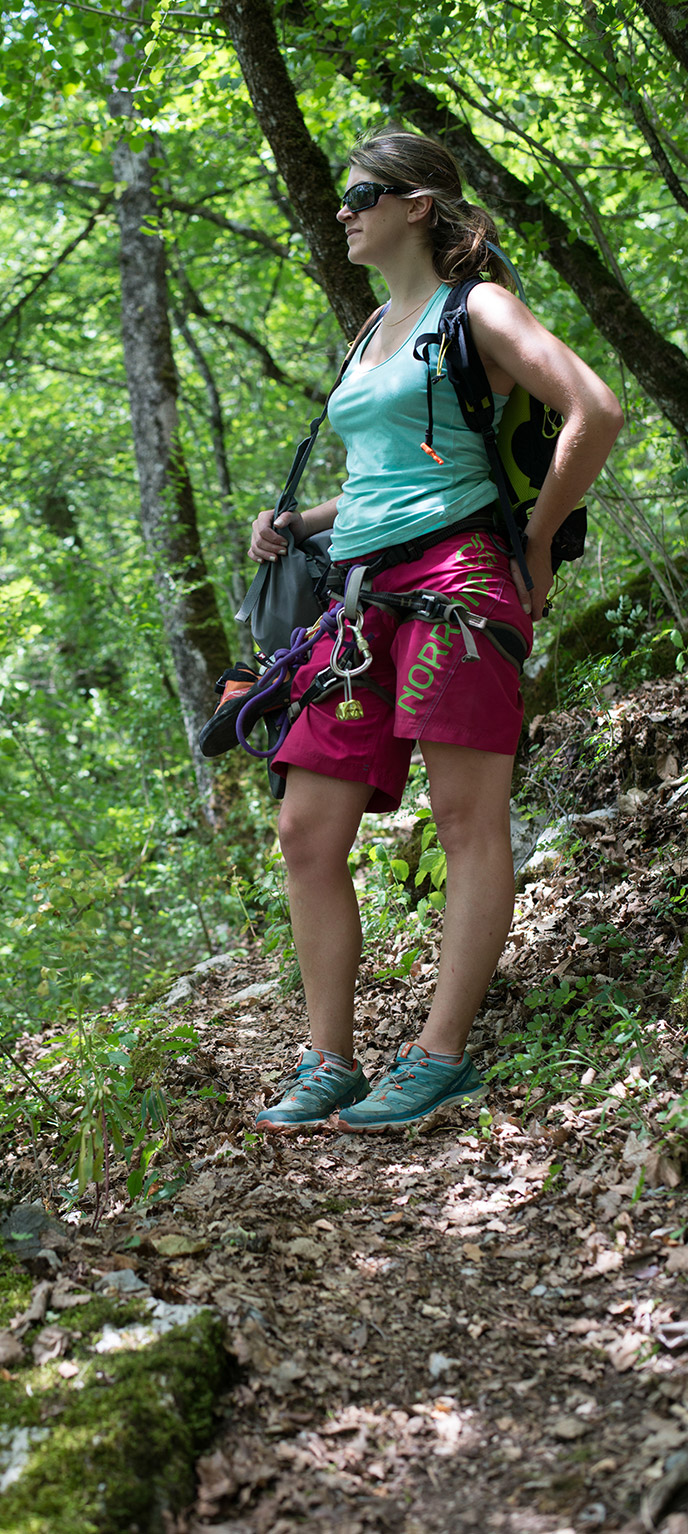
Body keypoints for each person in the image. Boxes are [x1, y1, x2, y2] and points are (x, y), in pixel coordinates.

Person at [249, 127, 622, 1135]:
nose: (343, 209)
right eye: (341, 197)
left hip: (460, 579)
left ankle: (440, 1054)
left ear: (417, 204)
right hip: (359, 594)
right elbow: (386, 469)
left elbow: (593, 408)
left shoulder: (479, 308)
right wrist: (301, 524)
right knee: (304, 829)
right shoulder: (371, 330)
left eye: (362, 192)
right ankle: (328, 1058)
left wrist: (535, 542)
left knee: (464, 820)